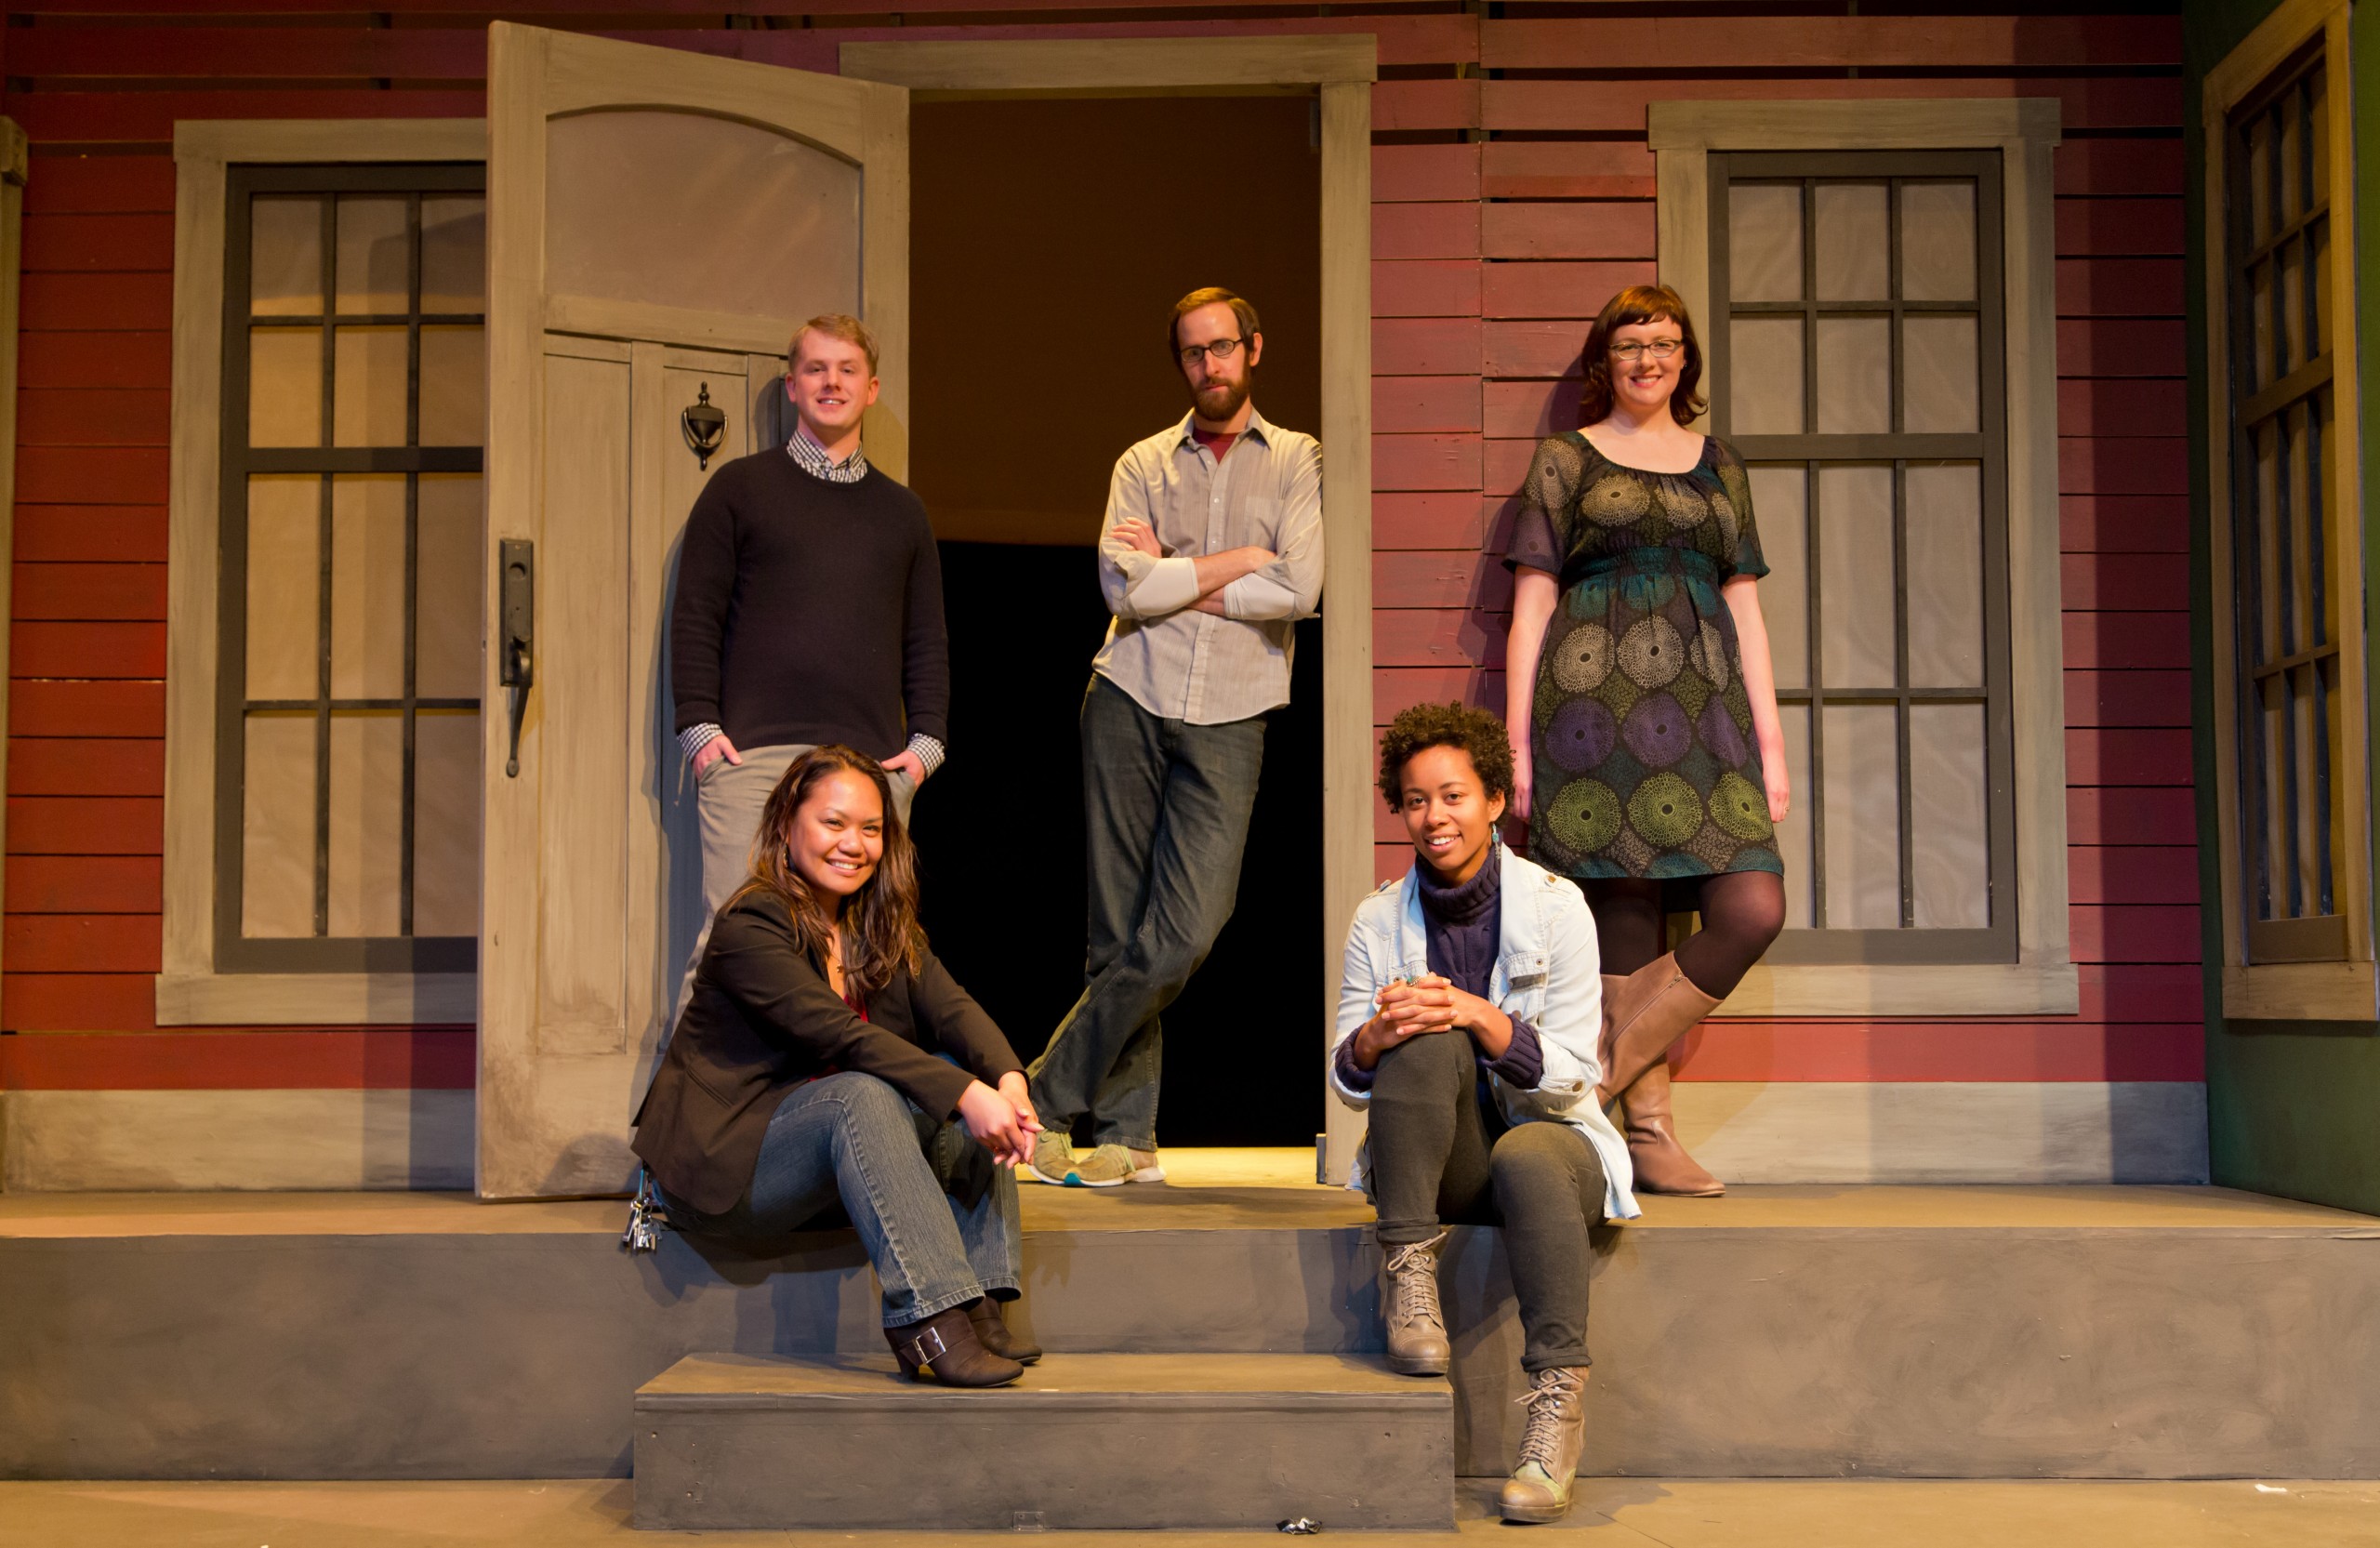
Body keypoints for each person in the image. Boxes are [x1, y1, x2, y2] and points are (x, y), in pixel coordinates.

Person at [1022, 287, 1324, 1188]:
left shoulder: (1297, 459)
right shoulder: (1144, 460)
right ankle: (1125, 1137)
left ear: (1254, 349)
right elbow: (1122, 593)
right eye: (1193, 353)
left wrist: (1175, 572)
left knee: (1187, 927)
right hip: (1128, 692)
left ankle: (1040, 1095)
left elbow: (1302, 587)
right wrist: (1237, 561)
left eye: (1223, 348)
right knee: (1116, 929)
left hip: (1234, 710)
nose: (1209, 366)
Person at [1501, 284, 1790, 1197]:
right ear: (1605, 359)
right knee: (1625, 920)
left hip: (1707, 718)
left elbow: (1746, 610)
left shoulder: (1719, 466)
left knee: (1751, 910)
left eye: (1663, 343)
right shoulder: (1566, 461)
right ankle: (1649, 1134)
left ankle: (1582, 1084)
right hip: (1591, 717)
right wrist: (1515, 750)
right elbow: (1530, 609)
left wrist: (1771, 747)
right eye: (1629, 344)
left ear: (1684, 359)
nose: (1646, 360)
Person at [632, 745, 1040, 1387]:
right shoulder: (752, 923)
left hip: (819, 1156)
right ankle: (929, 1318)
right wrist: (965, 1093)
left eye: (871, 829)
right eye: (834, 823)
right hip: (729, 1165)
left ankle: (981, 1303)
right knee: (868, 1091)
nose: (854, 843)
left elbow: (953, 1009)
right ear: (788, 823)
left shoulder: (876, 924)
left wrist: (1007, 1081)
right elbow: (842, 1036)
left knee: (950, 1072)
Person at [1330, 702, 1636, 1526]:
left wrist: (1480, 1013)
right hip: (1447, 1159)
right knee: (1420, 1041)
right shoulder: (1376, 917)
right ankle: (1409, 1276)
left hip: (1552, 1146)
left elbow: (1576, 1074)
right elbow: (1347, 1080)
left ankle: (1554, 1415)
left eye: (1454, 795)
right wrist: (1376, 1036)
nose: (1435, 817)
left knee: (1529, 1152)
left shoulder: (1556, 906)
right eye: (1417, 799)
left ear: (1495, 798)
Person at [668, 312, 950, 1021]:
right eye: (816, 369)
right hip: (754, 759)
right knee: (735, 942)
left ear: (872, 388)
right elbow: (696, 614)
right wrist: (701, 735)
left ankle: (830, 1123)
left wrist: (920, 755)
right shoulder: (739, 489)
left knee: (860, 956)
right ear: (792, 386)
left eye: (846, 369)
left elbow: (927, 640)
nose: (832, 382)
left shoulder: (903, 513)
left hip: (867, 768)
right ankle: (679, 1131)